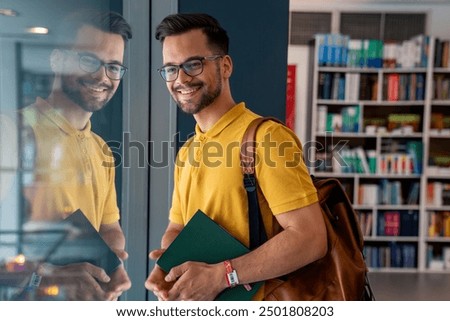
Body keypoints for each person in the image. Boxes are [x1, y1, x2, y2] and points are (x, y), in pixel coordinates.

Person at [145, 13, 327, 301]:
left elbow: (310, 239)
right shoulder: (188, 151)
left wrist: (221, 276)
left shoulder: (267, 138)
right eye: (170, 69)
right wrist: (169, 267)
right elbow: (177, 227)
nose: (181, 79)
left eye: (193, 64)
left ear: (225, 66)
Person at [18, 10, 132, 300]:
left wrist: (113, 266)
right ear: (58, 59)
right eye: (88, 60)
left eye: (114, 67)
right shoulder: (14, 132)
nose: (102, 76)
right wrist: (45, 277)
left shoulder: (102, 150)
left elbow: (110, 227)